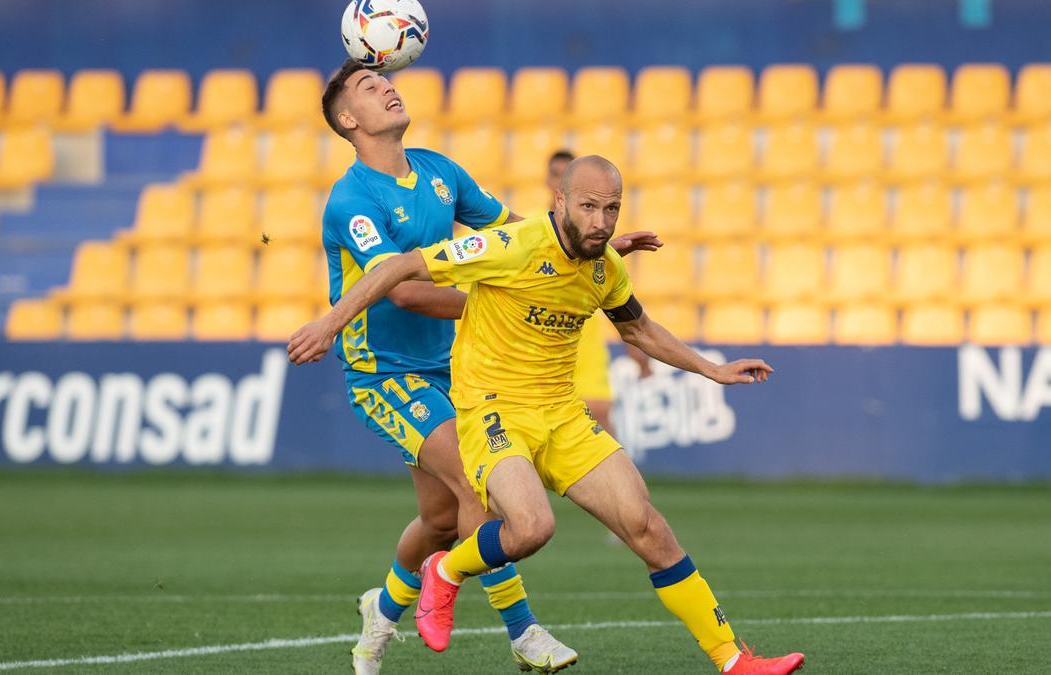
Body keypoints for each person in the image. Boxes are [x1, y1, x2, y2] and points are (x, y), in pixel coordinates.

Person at [289, 155, 806, 674]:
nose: (601, 221)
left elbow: (639, 329)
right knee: (532, 527)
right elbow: (401, 268)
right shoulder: (509, 246)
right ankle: (454, 576)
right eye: (588, 206)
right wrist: (330, 323)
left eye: (611, 209)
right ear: (560, 201)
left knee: (648, 526)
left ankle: (734, 660)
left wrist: (712, 369)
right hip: (494, 411)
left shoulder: (606, 267)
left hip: (562, 415)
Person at [317, 59, 661, 674]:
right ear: (348, 120)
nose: (389, 86)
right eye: (370, 87)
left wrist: (593, 243)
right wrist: (503, 305)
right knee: (483, 485)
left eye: (387, 79)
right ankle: (523, 631)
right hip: (387, 372)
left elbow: (518, 236)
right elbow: (401, 290)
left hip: (455, 363)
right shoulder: (351, 201)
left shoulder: (441, 173)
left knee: (441, 519)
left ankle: (384, 609)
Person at [549, 150, 652, 435]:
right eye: (556, 175)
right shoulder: (530, 229)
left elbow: (614, 292)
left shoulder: (597, 234)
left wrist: (637, 351)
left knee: (601, 427)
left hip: (585, 346)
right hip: (542, 347)